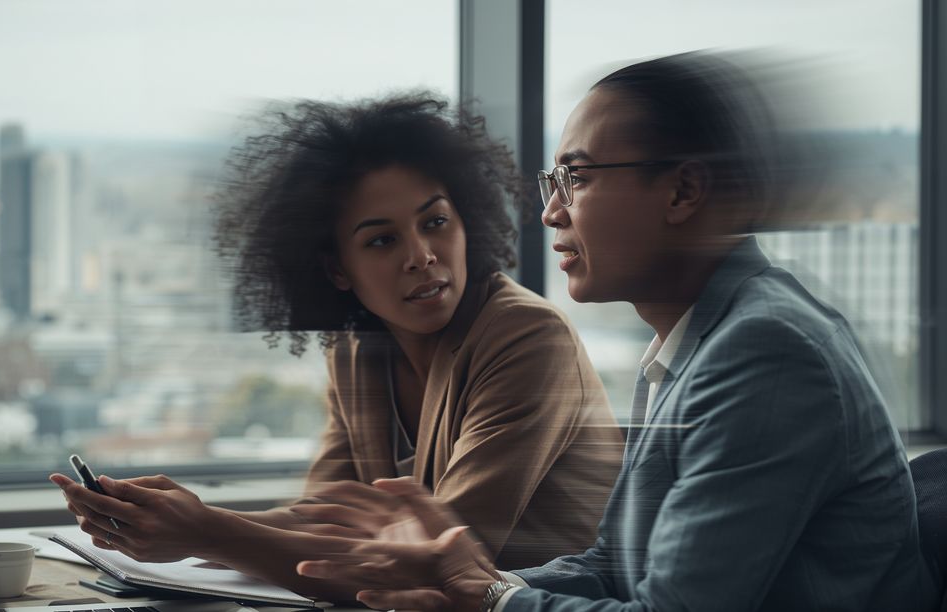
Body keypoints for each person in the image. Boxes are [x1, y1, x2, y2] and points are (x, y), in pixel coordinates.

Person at [294, 53, 940, 611]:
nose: (550, 211)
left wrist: (487, 596)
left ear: (682, 191)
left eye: (576, 178)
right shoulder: (694, 341)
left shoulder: (764, 352)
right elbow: (611, 565)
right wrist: (473, 584)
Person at [49, 93, 623, 600]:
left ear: (466, 220)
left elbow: (438, 561)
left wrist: (204, 530)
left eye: (437, 221)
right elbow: (322, 520)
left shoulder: (527, 338)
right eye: (381, 239)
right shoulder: (354, 352)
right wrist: (177, 519)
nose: (422, 254)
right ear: (336, 269)